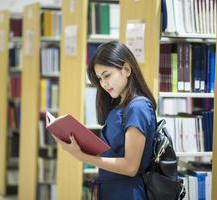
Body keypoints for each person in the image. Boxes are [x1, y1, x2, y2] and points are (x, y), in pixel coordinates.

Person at [54, 41, 157, 200]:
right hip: (112, 190)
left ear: (126, 69)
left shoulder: (138, 108)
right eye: (100, 79)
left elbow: (130, 167)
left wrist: (82, 157)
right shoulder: (121, 106)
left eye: (107, 75)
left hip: (128, 193)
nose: (104, 83)